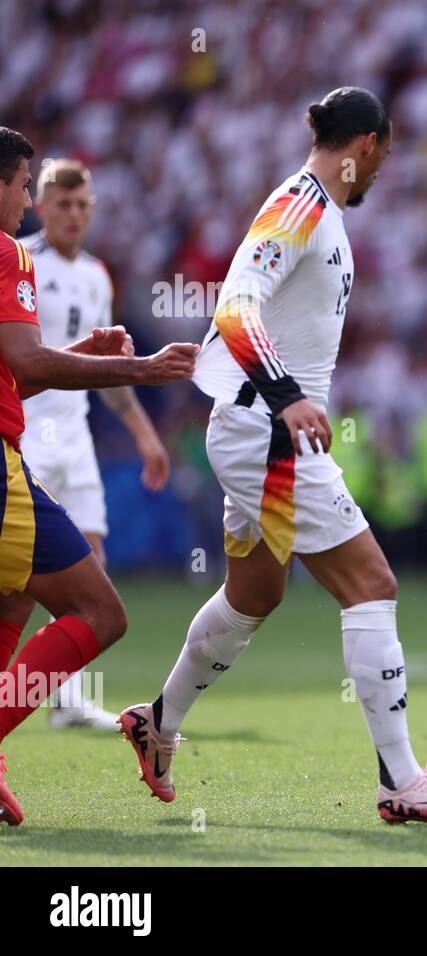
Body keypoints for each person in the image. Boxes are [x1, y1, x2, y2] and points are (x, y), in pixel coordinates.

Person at [118, 88, 427, 825]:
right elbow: (235, 307)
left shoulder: (320, 211)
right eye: (384, 153)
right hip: (268, 432)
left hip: (254, 428)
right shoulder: (299, 206)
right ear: (367, 145)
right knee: (371, 584)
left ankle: (157, 721)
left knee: (254, 596)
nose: (382, 168)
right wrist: (287, 395)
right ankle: (401, 780)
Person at [0, 126, 196, 825]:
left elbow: (15, 371)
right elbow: (28, 362)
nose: (30, 202)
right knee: (99, 610)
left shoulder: (93, 275)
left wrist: (89, 353)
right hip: (11, 457)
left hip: (47, 441)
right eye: (27, 187)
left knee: (15, 599)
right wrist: (140, 369)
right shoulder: (12, 253)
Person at [20, 159, 171, 730]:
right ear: (41, 206)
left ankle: (68, 702)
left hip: (75, 435)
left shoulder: (96, 275)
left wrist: (145, 435)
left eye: (83, 205)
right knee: (23, 575)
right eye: (63, 204)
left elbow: (105, 369)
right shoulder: (20, 261)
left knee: (91, 557)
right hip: (26, 429)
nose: (74, 215)